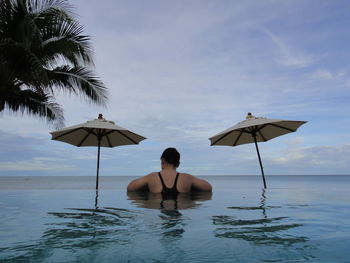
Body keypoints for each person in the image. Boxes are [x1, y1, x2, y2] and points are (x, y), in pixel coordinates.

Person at [127, 148, 212, 193]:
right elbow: (208, 188)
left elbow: (130, 188)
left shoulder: (152, 177)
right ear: (178, 164)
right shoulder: (187, 178)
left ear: (162, 160)